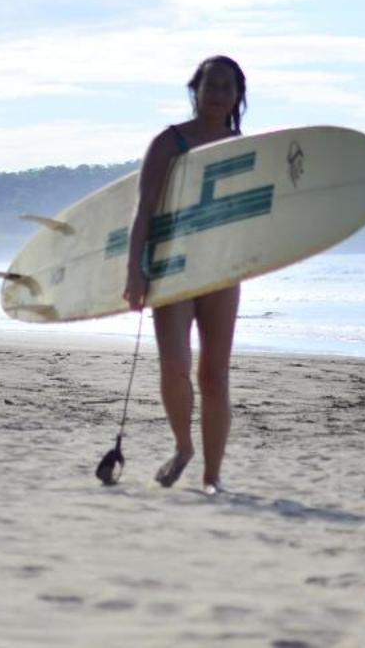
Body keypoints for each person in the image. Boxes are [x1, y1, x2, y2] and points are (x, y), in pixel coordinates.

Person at [122, 55, 247, 494]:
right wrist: (135, 269)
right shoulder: (169, 142)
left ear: (238, 95)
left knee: (214, 375)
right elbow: (144, 210)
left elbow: (252, 218)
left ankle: (213, 477)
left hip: (220, 269)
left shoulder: (243, 146)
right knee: (175, 366)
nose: (217, 95)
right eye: (210, 85)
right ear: (194, 89)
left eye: (226, 87)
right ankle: (183, 447)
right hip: (172, 267)